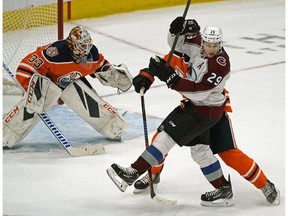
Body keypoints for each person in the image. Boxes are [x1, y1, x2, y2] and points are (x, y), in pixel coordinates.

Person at [132, 17, 280, 206]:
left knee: (228, 152)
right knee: (164, 138)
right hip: (194, 110)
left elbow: (197, 90)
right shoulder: (176, 54)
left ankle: (264, 184)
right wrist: (145, 78)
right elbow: (156, 66)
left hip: (213, 108)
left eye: (193, 36)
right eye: (185, 35)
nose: (190, 39)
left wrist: (170, 79)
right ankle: (153, 173)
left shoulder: (207, 55)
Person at [107, 23, 235, 207]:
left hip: (202, 111)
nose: (212, 49)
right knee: (200, 151)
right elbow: (178, 45)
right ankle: (223, 189)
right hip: (201, 109)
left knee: (165, 137)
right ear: (203, 42)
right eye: (209, 45)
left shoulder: (219, 64)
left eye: (216, 45)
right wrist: (174, 31)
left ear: (220, 44)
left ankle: (133, 172)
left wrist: (172, 79)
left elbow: (199, 92)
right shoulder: (199, 46)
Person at [3, 26, 132, 148]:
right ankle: (4, 135)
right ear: (71, 44)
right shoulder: (55, 52)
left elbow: (100, 65)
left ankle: (113, 127)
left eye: (87, 45)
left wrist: (109, 70)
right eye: (82, 46)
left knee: (85, 95)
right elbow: (26, 67)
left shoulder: (92, 53)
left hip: (68, 82)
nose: (86, 49)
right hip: (47, 84)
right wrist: (33, 90)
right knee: (37, 102)